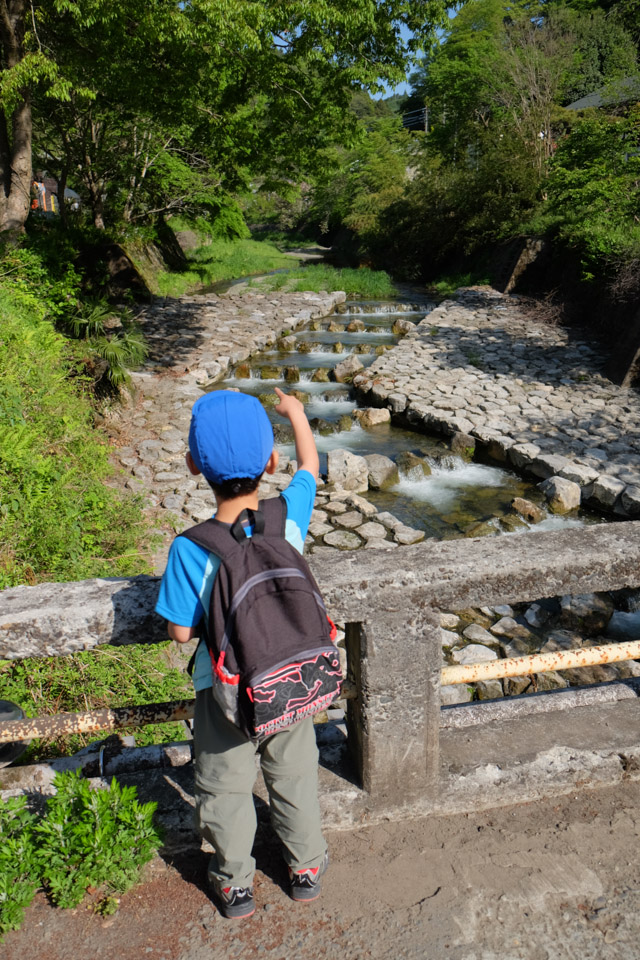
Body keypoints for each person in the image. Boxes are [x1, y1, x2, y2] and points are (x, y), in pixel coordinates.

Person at [155, 387, 328, 920]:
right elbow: (311, 468)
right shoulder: (287, 516)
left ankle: (234, 885)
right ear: (269, 461)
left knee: (224, 785)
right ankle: (306, 869)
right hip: (291, 677)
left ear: (192, 466)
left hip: (225, 688)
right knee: (295, 773)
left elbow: (180, 634)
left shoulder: (192, 546)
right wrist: (296, 413)